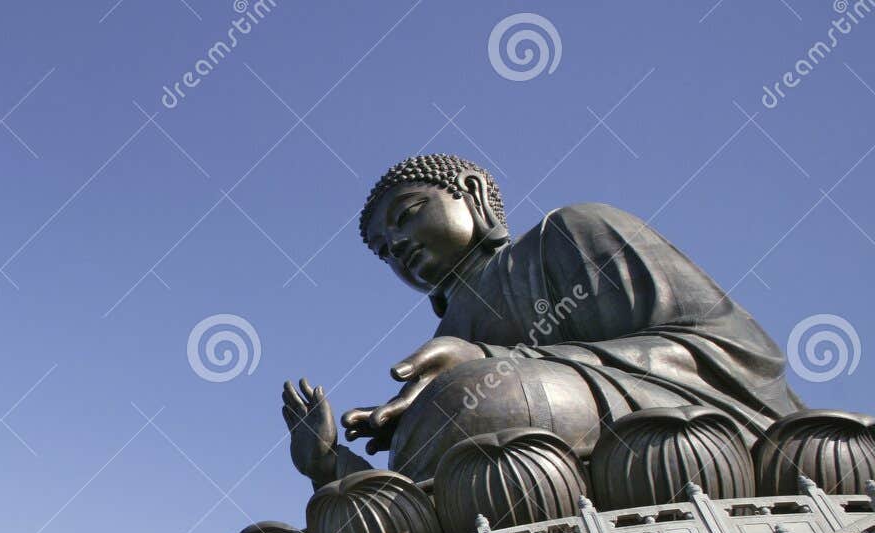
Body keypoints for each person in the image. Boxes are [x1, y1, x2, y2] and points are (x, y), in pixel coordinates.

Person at [284, 153, 804, 486]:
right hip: (526, 487)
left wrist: (493, 362)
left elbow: (731, 350)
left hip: (682, 440)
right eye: (383, 251)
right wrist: (332, 466)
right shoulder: (447, 339)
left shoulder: (573, 231)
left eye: (407, 215)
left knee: (485, 397)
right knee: (457, 409)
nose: (397, 246)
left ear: (471, 192)